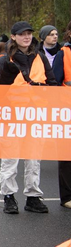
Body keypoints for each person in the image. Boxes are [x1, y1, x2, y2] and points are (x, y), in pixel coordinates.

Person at [0, 21, 56, 214]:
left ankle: (33, 196)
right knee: (10, 158)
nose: (26, 37)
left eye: (29, 33)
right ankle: (8, 196)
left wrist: (42, 91)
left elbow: (52, 83)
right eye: (22, 34)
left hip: (35, 115)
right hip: (12, 116)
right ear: (13, 36)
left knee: (34, 157)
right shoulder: (5, 60)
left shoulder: (40, 58)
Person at [53, 22, 71, 209]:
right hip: (67, 110)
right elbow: (55, 83)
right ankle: (67, 196)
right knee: (67, 155)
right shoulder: (63, 54)